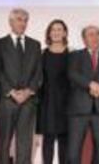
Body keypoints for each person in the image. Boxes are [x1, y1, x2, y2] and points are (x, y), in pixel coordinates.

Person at [0, 8, 42, 164]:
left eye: (25, 20)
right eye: (19, 19)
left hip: (28, 101)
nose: (23, 23)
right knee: (4, 141)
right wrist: (11, 92)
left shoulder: (35, 45)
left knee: (25, 142)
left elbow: (38, 73)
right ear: (11, 22)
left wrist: (27, 92)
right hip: (6, 99)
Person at [67, 25, 99, 164]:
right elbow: (72, 73)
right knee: (73, 151)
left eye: (97, 34)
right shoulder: (75, 55)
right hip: (78, 110)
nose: (95, 37)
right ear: (84, 39)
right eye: (91, 34)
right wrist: (90, 84)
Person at [37, 19, 70, 164]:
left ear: (65, 33)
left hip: (67, 103)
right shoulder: (42, 55)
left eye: (59, 29)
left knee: (65, 141)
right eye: (53, 29)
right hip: (47, 102)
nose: (56, 32)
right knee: (48, 141)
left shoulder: (73, 54)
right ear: (49, 33)